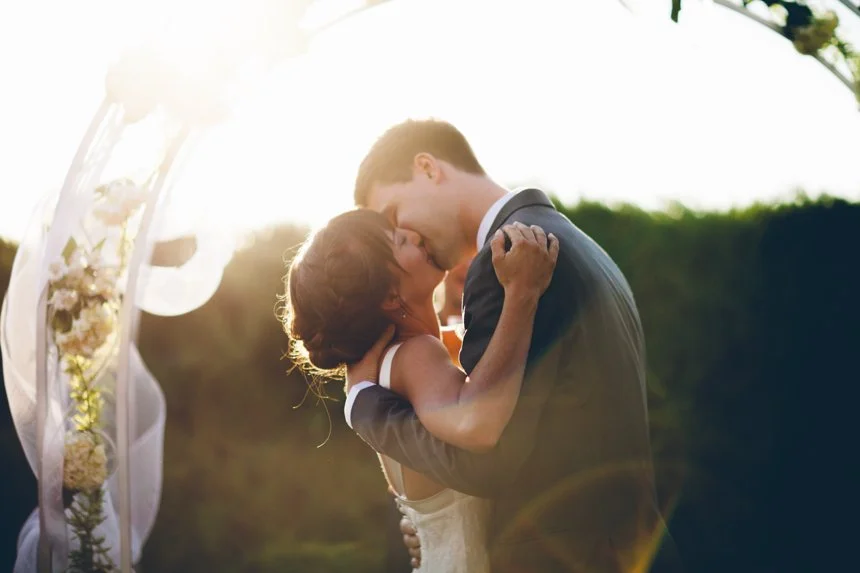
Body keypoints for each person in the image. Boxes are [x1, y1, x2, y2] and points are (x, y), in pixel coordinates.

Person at [344, 119, 683, 572]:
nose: (403, 239)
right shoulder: (572, 240)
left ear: (427, 168)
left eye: (392, 215)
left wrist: (367, 407)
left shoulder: (504, 264)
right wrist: (430, 523)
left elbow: (488, 457)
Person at [282, 209, 558, 572]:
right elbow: (476, 422)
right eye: (398, 240)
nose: (413, 234)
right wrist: (522, 292)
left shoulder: (401, 363)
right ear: (390, 297)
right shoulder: (415, 356)